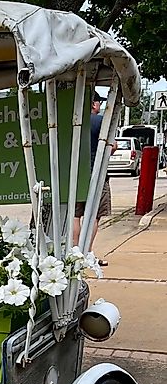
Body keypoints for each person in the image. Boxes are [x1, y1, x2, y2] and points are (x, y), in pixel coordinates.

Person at [73, 97, 114, 265]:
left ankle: (74, 254)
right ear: (93, 103)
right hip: (96, 175)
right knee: (94, 217)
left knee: (76, 216)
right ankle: (87, 253)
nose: (100, 106)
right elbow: (111, 147)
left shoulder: (74, 120)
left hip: (76, 175)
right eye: (99, 103)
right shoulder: (101, 121)